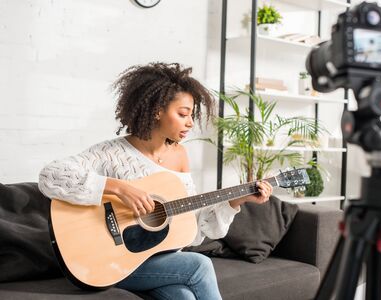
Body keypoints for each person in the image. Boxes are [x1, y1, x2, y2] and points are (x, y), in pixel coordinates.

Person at [38, 62, 273, 300]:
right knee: (199, 265)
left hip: (158, 262)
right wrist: (120, 188)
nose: (190, 123)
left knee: (184, 297)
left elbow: (190, 228)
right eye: (183, 114)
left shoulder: (180, 156)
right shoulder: (112, 153)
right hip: (110, 263)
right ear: (157, 110)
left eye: (191, 114)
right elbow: (51, 175)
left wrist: (236, 200)